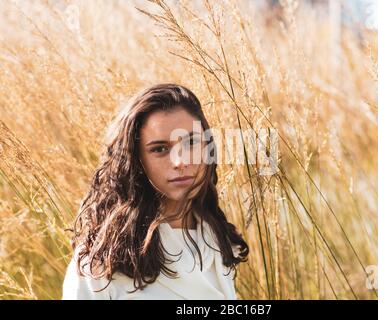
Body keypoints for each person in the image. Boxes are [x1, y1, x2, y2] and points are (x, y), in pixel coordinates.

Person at [62, 83, 249, 299]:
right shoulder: (101, 265)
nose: (180, 161)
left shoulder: (220, 242)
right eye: (160, 149)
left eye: (191, 142)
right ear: (136, 161)